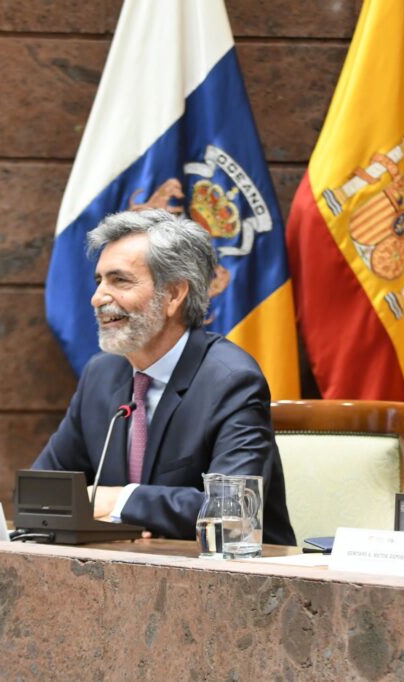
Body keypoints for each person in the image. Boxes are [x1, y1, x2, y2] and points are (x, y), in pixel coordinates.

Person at [34, 209, 296, 545]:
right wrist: (132, 519)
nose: (98, 298)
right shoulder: (101, 374)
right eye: (99, 280)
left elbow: (234, 515)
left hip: (237, 584)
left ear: (174, 294)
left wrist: (122, 503)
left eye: (120, 280)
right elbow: (41, 493)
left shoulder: (231, 381)